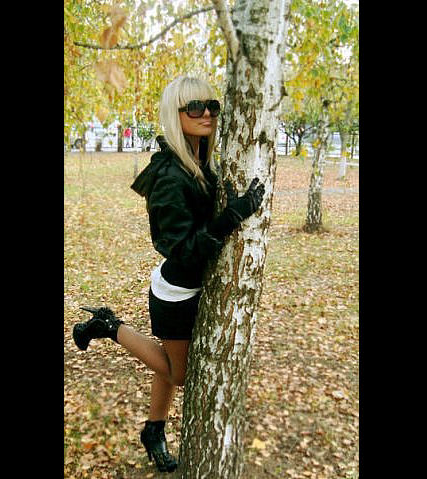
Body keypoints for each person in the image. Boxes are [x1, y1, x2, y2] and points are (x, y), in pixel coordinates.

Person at [72, 76, 265, 473]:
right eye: (195, 107)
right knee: (180, 374)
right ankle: (109, 325)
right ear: (175, 115)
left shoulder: (199, 158)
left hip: (192, 286)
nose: (207, 113)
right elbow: (182, 249)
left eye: (212, 105)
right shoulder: (169, 177)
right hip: (176, 292)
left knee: (168, 360)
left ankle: (154, 429)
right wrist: (232, 215)